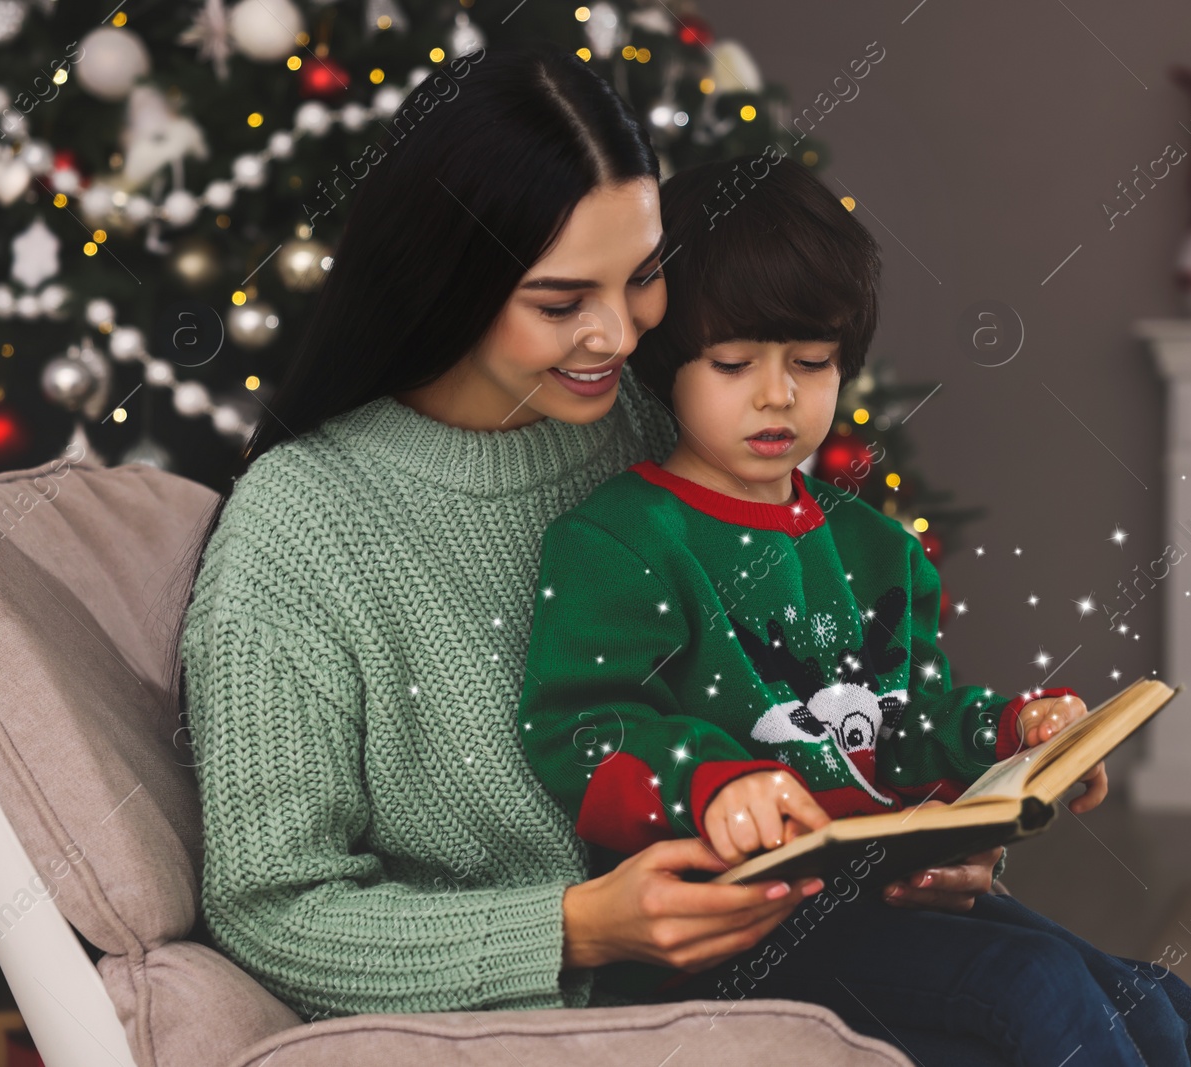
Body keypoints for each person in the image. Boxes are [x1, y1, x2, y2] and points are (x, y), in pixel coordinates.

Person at [172, 41, 1004, 1038]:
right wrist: (574, 929)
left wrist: (929, 819)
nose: (622, 332)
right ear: (451, 280)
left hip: (804, 919)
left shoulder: (653, 423)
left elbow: (821, 682)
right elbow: (273, 912)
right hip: (572, 1017)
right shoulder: (300, 528)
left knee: (1148, 1004)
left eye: (645, 274)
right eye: (563, 302)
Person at [515, 156, 1191, 1065]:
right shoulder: (623, 537)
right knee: (1034, 992)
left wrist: (1016, 733)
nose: (778, 394)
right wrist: (716, 782)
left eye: (811, 364)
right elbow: (585, 729)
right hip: (741, 927)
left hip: (883, 892)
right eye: (734, 363)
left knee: (1167, 1005)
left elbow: (918, 717)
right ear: (665, 363)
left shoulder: (875, 547)